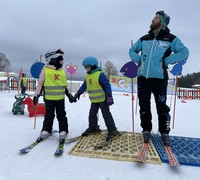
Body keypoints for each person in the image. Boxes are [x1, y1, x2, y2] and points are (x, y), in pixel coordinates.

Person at [129, 11, 189, 145]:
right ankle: (146, 130)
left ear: (162, 22)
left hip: (160, 78)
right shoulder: (144, 38)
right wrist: (139, 60)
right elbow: (132, 50)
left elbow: (185, 52)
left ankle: (164, 132)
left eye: (155, 18)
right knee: (144, 105)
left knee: (161, 106)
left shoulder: (171, 39)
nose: (152, 19)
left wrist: (166, 61)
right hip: (143, 77)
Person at [33, 49, 74, 142]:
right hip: (49, 99)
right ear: (53, 59)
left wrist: (69, 95)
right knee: (49, 115)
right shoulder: (45, 70)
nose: (62, 62)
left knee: (61, 115)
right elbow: (40, 84)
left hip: (60, 99)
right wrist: (36, 96)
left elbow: (64, 85)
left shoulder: (62, 71)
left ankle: (63, 130)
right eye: (60, 59)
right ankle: (46, 130)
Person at [74, 56, 118, 141]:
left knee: (106, 115)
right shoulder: (88, 75)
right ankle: (93, 127)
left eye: (88, 67)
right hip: (94, 100)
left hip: (103, 99)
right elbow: (84, 85)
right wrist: (78, 93)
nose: (86, 69)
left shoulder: (99, 74)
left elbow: (107, 85)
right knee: (92, 114)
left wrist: (109, 96)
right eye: (85, 68)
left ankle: (113, 130)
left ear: (93, 66)